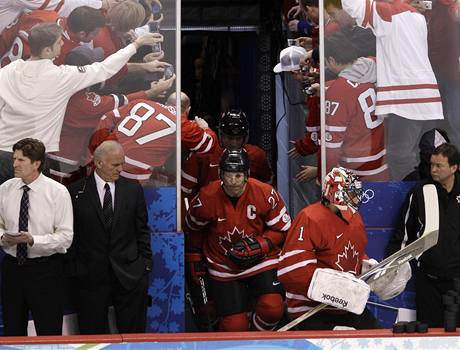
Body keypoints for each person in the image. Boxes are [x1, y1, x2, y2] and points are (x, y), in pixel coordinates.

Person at [0, 22, 161, 184]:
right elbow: (105, 69)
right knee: (26, 207)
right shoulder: (61, 77)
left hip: (3, 152)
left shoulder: (8, 70)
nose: (63, 43)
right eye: (58, 42)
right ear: (47, 50)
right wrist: (136, 44)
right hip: (30, 160)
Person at [184, 149, 291, 331]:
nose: (233, 181)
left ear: (247, 175)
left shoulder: (265, 193)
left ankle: (258, 341)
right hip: (223, 265)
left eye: (238, 175)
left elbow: (283, 230)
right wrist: (194, 258)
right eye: (228, 174)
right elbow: (193, 230)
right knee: (234, 325)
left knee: (272, 308)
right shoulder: (206, 198)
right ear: (220, 174)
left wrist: (261, 245)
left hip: (261, 261)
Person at [342, 0, 443, 180]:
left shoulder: (387, 12)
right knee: (425, 157)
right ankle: (431, 202)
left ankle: (415, 204)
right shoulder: (415, 14)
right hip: (427, 98)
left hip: (407, 99)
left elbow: (351, 4)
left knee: (400, 158)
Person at [277, 167, 381, 330]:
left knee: (377, 337)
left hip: (345, 307)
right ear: (334, 193)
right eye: (350, 193)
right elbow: (291, 271)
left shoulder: (355, 219)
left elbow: (352, 254)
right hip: (309, 309)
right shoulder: (310, 218)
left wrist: (366, 266)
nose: (355, 198)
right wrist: (334, 290)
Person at [67, 140, 152, 334]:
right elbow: (71, 234)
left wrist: (145, 265)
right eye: (115, 165)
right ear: (98, 163)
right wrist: (74, 268)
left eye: (122, 163)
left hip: (130, 275)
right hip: (89, 277)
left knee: (133, 337)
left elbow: (142, 230)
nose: (120, 169)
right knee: (93, 336)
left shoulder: (133, 190)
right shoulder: (75, 192)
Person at [0, 138, 73, 336]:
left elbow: (66, 237)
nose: (14, 164)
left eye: (21, 160)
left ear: (36, 163)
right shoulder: (5, 189)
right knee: (13, 330)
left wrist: (33, 240)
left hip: (46, 271)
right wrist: (3, 237)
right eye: (14, 158)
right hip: (12, 268)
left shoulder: (58, 192)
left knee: (48, 330)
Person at [388, 143, 460, 327]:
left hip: (458, 280)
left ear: (454, 167)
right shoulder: (420, 192)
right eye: (431, 165)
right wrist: (391, 268)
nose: (433, 170)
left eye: (439, 165)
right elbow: (403, 233)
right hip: (429, 281)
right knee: (430, 333)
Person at [323, 32, 388, 181]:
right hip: (382, 163)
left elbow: (332, 148)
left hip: (355, 172)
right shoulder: (372, 64)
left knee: (354, 205)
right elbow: (356, 88)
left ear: (331, 60)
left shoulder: (337, 92)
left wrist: (325, 178)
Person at [181, 109, 272, 200]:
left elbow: (267, 191)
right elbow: (185, 191)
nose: (234, 143)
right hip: (210, 210)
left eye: (238, 138)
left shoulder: (257, 155)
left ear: (245, 136)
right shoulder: (203, 155)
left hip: (247, 209)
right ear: (221, 134)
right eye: (229, 138)